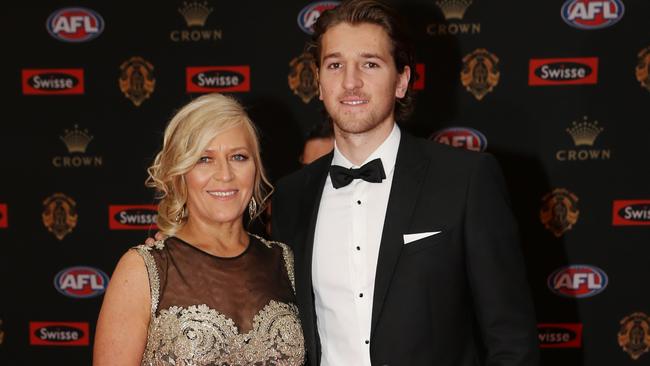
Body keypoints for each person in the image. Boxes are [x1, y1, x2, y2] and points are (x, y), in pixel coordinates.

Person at [271, 1, 540, 366]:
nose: (350, 82)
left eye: (370, 64)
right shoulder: (290, 196)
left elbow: (511, 340)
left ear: (401, 80)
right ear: (318, 82)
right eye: (335, 65)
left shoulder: (466, 180)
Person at [93, 94, 305, 366]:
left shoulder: (285, 262)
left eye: (238, 157)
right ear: (180, 173)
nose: (225, 174)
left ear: (256, 168)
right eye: (204, 159)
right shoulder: (144, 270)